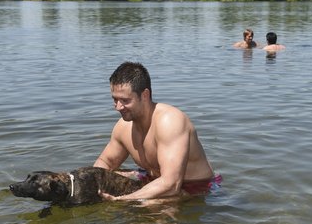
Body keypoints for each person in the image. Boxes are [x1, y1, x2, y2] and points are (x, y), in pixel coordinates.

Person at [94, 62, 220, 201]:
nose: (118, 107)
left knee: (152, 205)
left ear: (145, 95)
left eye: (125, 100)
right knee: (115, 177)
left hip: (195, 187)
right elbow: (106, 162)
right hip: (153, 178)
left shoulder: (170, 122)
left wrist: (124, 199)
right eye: (115, 99)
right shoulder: (123, 127)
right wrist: (95, 185)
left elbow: (172, 184)